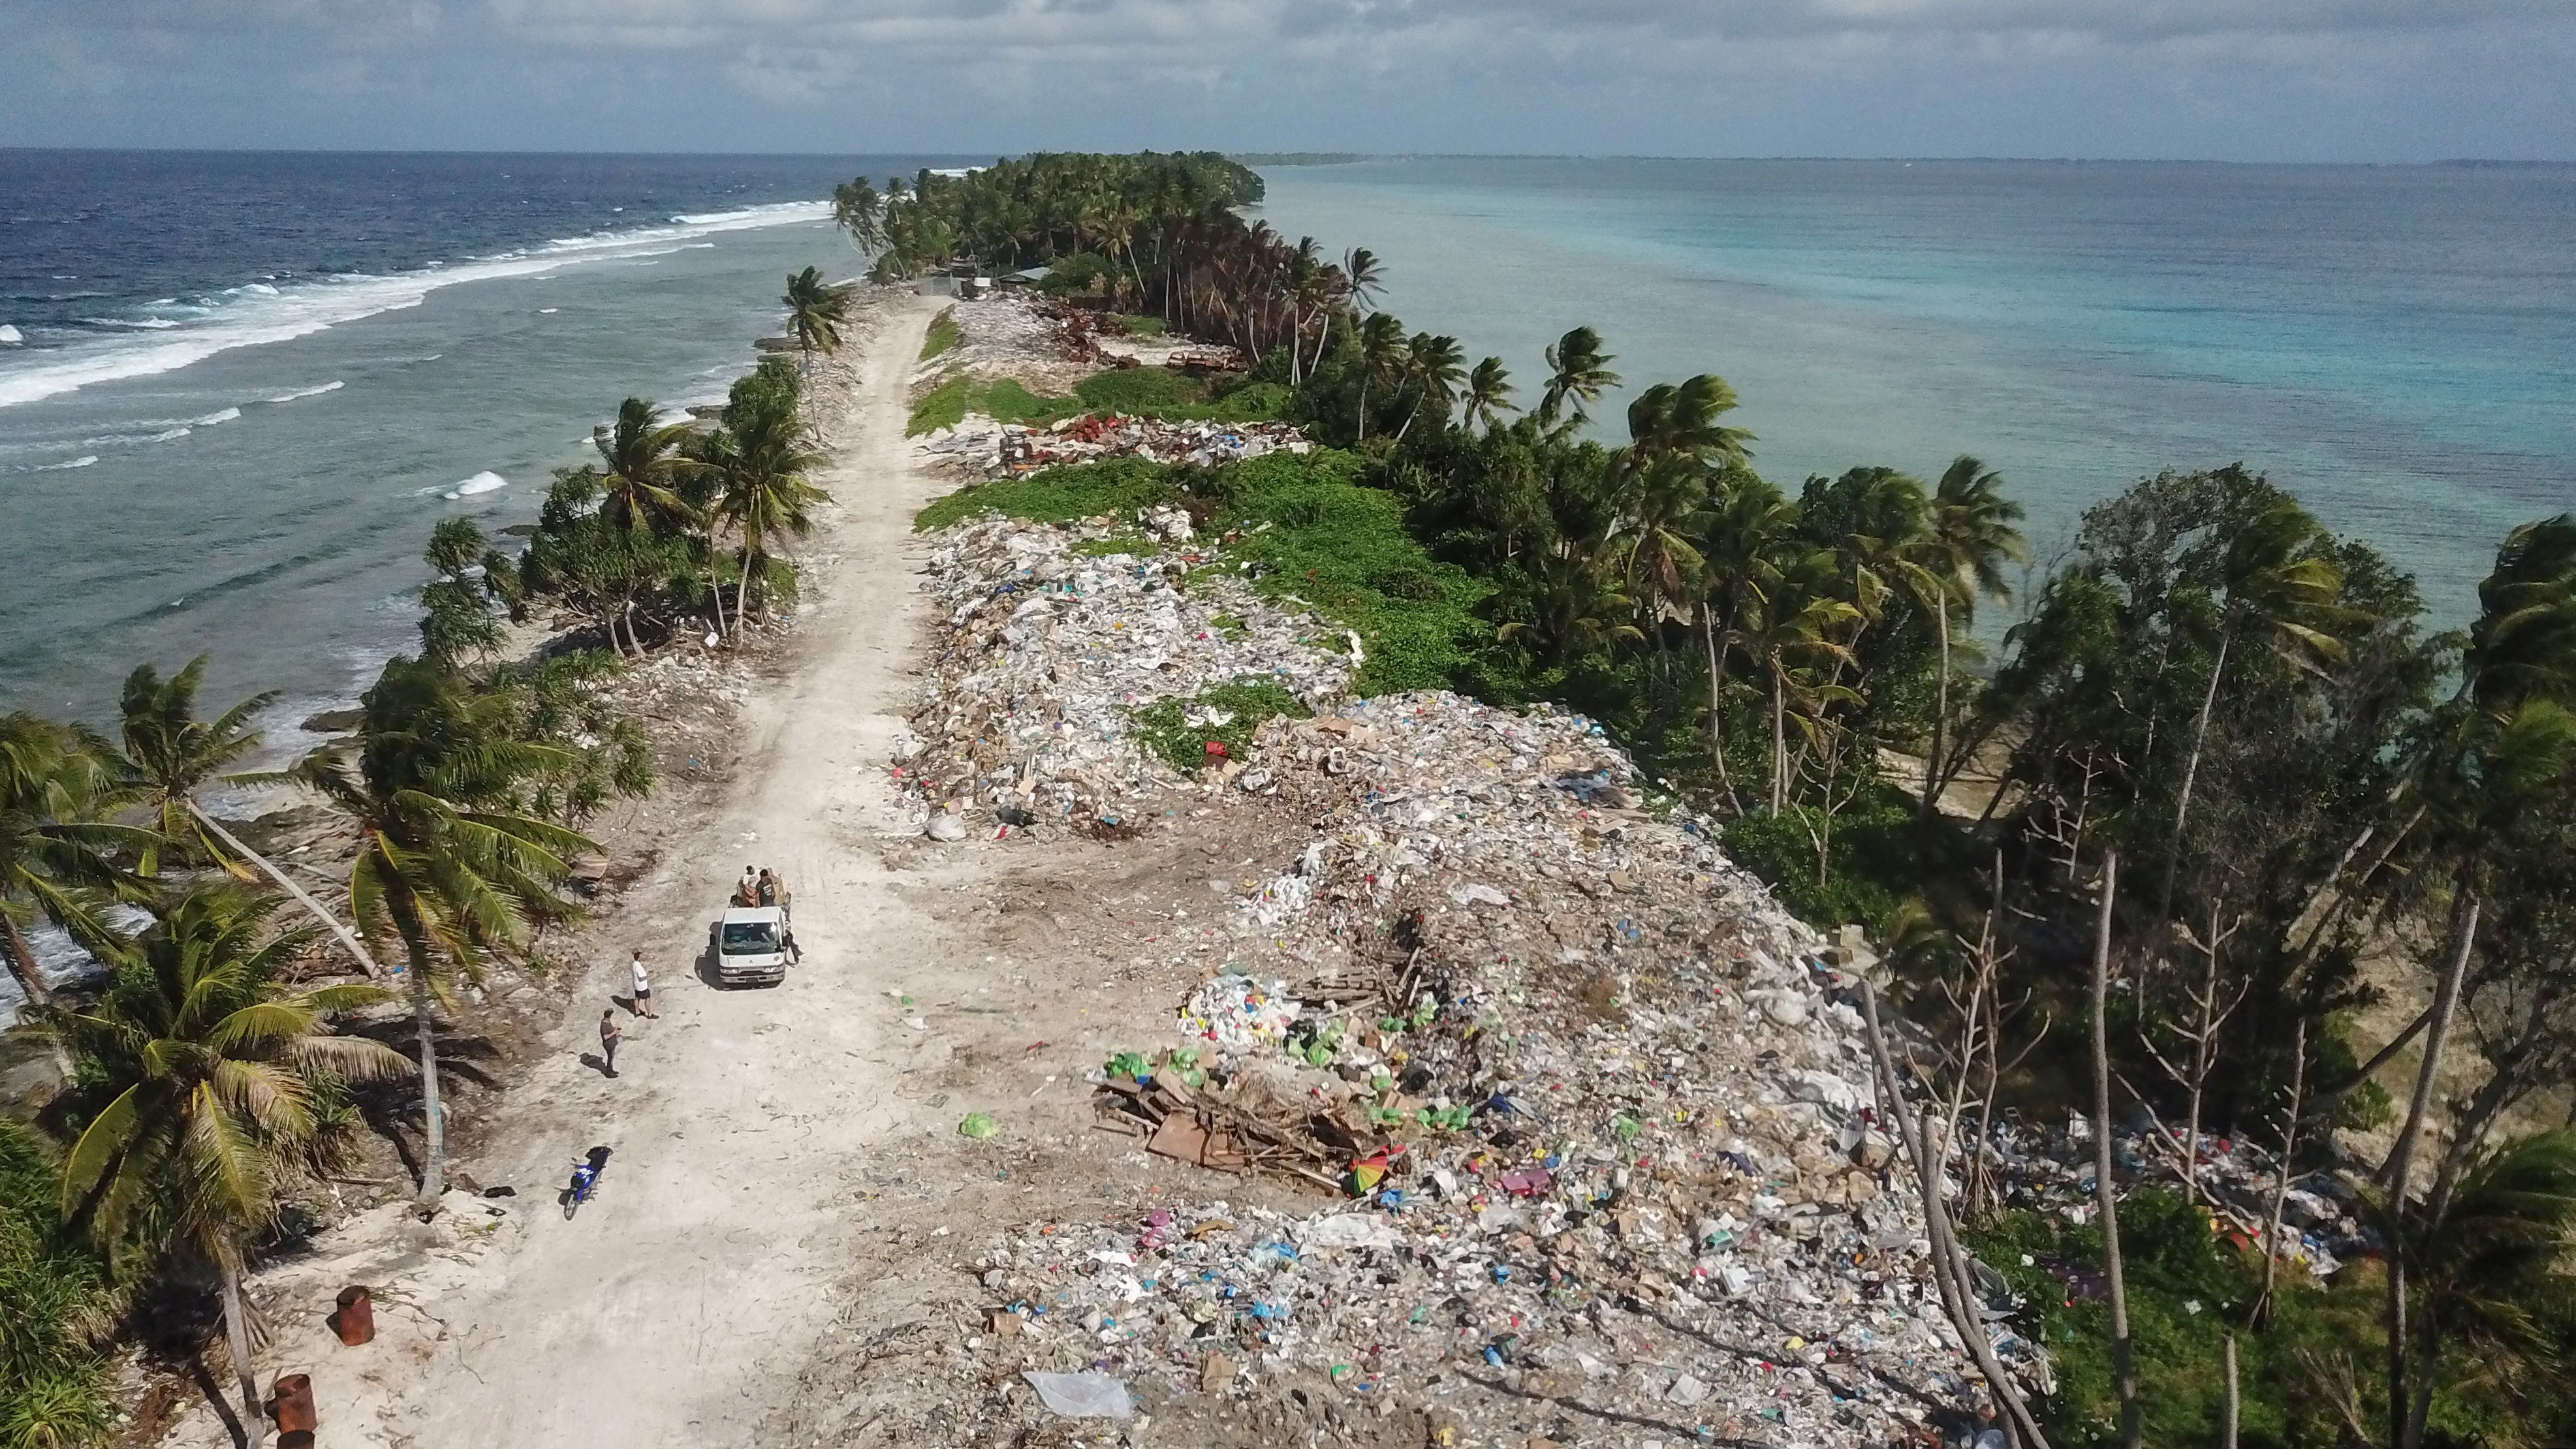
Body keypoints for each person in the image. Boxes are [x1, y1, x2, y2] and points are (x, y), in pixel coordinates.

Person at [629, 949, 657, 1018]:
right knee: (648, 998)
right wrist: (648, 976)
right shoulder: (638, 967)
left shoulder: (633, 964)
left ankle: (637, 1011)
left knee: (637, 998)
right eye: (640, 956)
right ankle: (649, 1014)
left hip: (636, 985)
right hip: (642, 987)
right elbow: (641, 978)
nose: (641, 958)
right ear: (639, 958)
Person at [598, 1009, 621, 1076]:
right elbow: (606, 1037)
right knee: (610, 1058)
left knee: (611, 1057)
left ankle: (611, 1070)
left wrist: (615, 1028)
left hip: (611, 1043)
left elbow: (610, 1028)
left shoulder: (607, 1022)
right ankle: (609, 1072)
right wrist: (614, 1032)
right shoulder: (604, 1025)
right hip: (608, 1044)